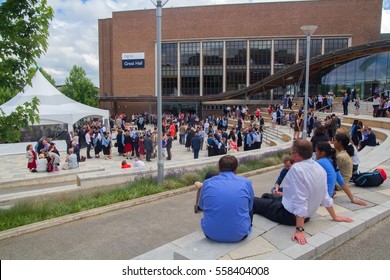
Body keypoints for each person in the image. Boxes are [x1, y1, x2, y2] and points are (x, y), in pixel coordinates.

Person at [253, 139, 353, 245]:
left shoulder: (296, 169)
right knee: (266, 196)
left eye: (292, 152)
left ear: (296, 155)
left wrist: (299, 230)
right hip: (307, 215)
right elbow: (325, 196)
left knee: (254, 201)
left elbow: (300, 200)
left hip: (289, 215)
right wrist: (335, 216)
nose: (291, 155)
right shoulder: (319, 168)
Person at [197, 155, 254, 243]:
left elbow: (201, 206)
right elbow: (250, 207)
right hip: (240, 235)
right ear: (236, 170)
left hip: (211, 233)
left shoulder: (207, 183)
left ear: (219, 169)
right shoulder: (246, 182)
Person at [315, 141, 366, 206]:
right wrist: (352, 198)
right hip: (329, 196)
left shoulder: (319, 162)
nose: (315, 153)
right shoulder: (332, 161)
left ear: (322, 153)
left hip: (321, 199)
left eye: (316, 151)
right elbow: (342, 182)